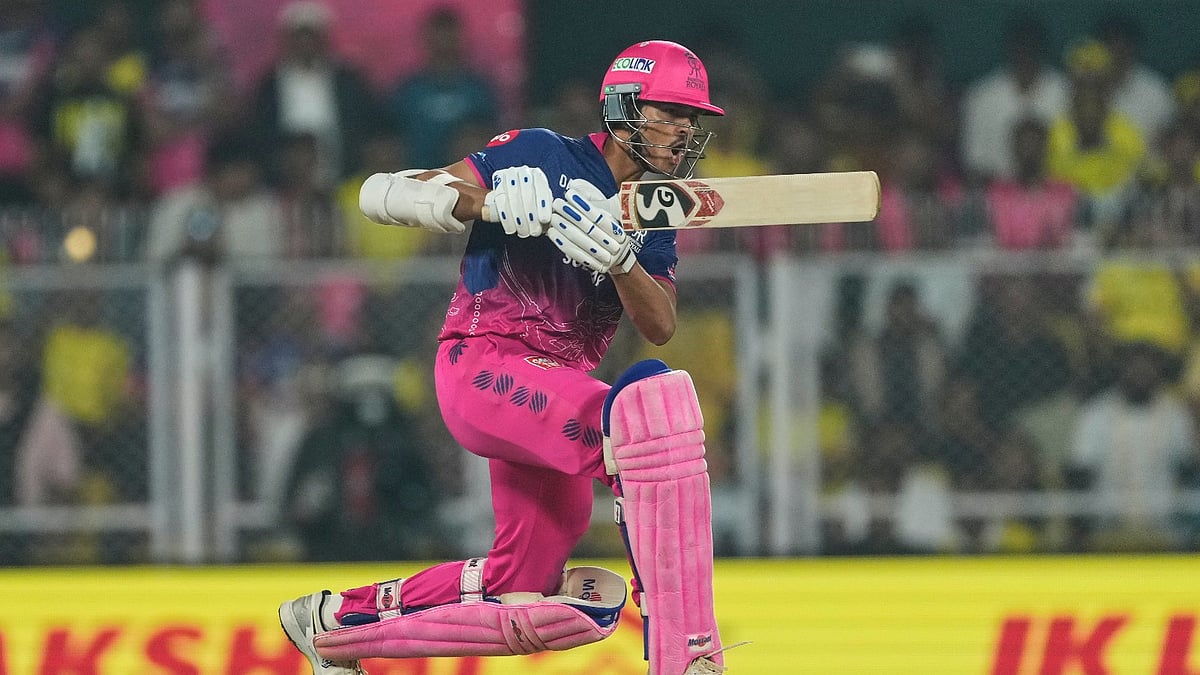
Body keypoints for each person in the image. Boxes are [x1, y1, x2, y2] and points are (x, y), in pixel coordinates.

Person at [278, 40, 731, 675]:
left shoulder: (652, 210)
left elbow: (659, 324)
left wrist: (620, 259)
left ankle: (333, 626)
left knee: (525, 595)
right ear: (624, 107)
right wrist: (489, 201)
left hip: (553, 396)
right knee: (651, 418)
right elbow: (388, 194)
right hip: (484, 368)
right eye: (672, 114)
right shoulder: (541, 154)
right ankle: (686, 653)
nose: (685, 132)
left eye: (692, 120)